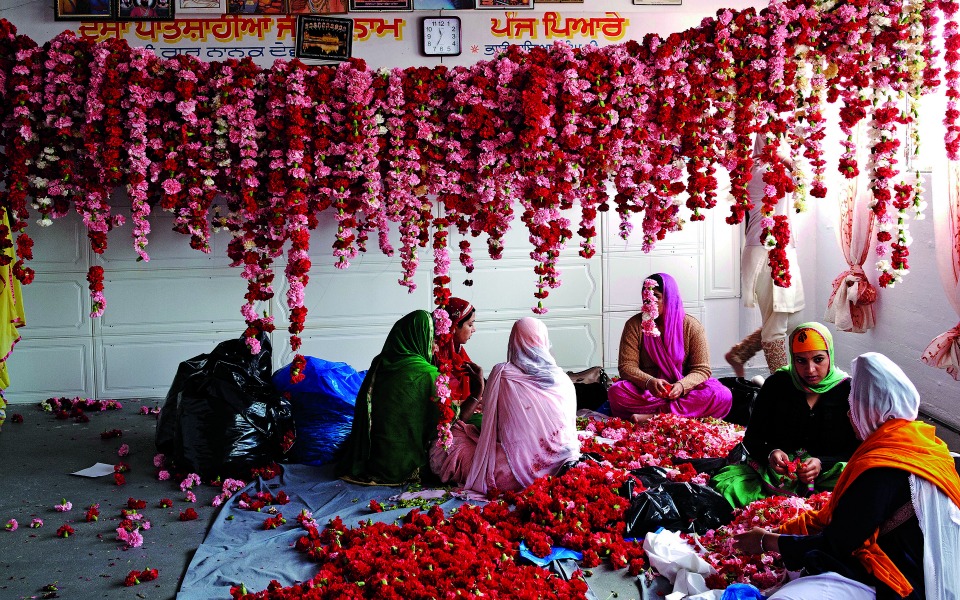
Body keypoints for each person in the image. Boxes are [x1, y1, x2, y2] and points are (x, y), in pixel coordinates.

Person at [733, 352, 960, 600]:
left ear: (872, 409)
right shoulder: (923, 442)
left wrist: (767, 541)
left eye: (853, 407)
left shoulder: (881, 469)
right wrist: (784, 531)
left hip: (905, 577)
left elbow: (837, 544)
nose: (850, 415)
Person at [712, 322, 860, 508]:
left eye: (818, 359)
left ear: (830, 355)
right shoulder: (777, 384)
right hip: (777, 474)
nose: (810, 369)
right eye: (801, 361)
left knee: (859, 486)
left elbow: (857, 447)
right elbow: (752, 438)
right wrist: (771, 453)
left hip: (828, 474)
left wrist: (822, 463)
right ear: (793, 358)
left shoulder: (847, 391)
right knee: (729, 488)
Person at [429, 317, 580, 494]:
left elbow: (492, 425)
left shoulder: (503, 373)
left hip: (508, 474)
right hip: (560, 462)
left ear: (513, 340)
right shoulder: (563, 379)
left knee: (447, 442)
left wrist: (480, 388)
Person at [725, 136, 805, 377]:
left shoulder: (765, 168)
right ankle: (782, 385)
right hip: (767, 252)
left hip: (782, 248)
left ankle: (740, 353)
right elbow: (803, 177)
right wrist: (786, 158)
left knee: (792, 317)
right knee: (776, 326)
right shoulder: (760, 171)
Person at [607, 272, 732, 422]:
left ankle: (653, 416)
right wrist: (649, 382)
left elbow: (702, 369)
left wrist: (682, 385)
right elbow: (627, 366)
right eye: (646, 298)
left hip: (684, 390)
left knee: (722, 395)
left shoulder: (691, 326)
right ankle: (679, 414)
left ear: (670, 298)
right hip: (648, 392)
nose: (650, 302)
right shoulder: (634, 325)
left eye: (656, 297)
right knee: (617, 392)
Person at [337, 310, 441, 485]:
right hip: (402, 464)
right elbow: (444, 421)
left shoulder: (380, 363)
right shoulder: (427, 374)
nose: (435, 347)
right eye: (432, 340)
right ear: (420, 338)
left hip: (370, 460)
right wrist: (476, 395)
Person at [434, 297, 483, 425]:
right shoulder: (436, 357)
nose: (474, 329)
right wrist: (476, 395)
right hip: (449, 424)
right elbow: (450, 414)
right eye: (470, 325)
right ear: (454, 326)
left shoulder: (458, 352)